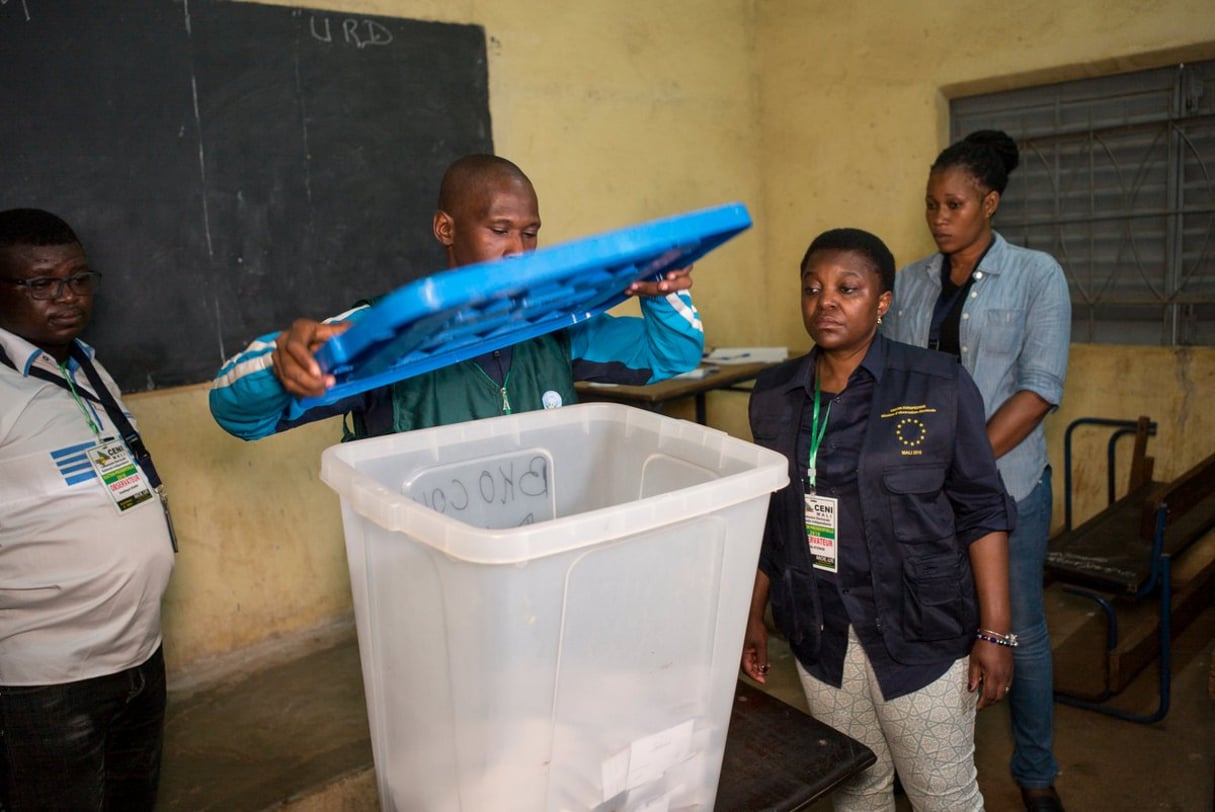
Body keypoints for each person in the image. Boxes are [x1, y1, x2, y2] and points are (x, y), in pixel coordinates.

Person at [740, 227, 1016, 811]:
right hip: (821, 632)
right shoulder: (774, 393)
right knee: (855, 790)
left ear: (883, 302)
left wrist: (994, 631)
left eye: (848, 288)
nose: (826, 302)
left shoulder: (937, 385)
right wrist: (752, 612)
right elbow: (771, 515)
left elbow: (982, 509)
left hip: (919, 631)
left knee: (943, 797)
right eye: (812, 289)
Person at [210, 154, 703, 439]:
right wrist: (284, 362)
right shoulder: (384, 334)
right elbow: (237, 415)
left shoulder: (554, 328)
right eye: (499, 230)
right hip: (429, 580)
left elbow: (672, 354)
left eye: (530, 233)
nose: (518, 250)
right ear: (446, 228)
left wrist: (660, 290)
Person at [883, 130, 1071, 812]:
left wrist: (961, 462)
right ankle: (924, 766)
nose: (938, 217)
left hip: (1006, 484)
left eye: (954, 204)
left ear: (988, 204)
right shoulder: (908, 282)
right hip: (921, 491)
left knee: (1014, 625)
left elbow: (1038, 387)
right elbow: (890, 380)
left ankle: (1035, 772)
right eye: (931, 204)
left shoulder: (1035, 275)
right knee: (928, 624)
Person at [0, 208, 176, 810]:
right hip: (46, 684)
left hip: (138, 657)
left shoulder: (84, 366)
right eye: (41, 284)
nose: (67, 297)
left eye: (78, 279)